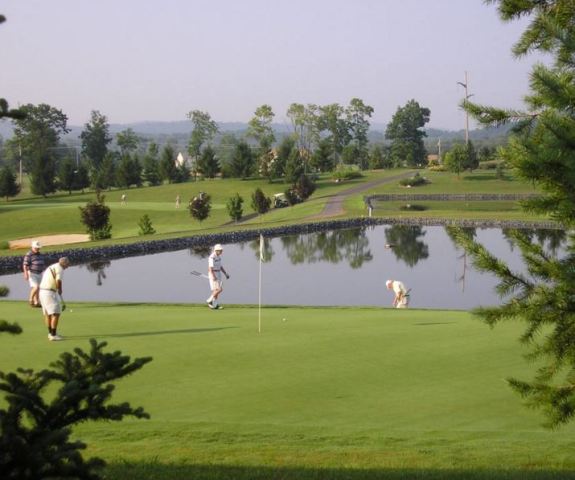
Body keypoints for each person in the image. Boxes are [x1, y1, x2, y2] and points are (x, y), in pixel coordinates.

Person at [39, 257, 70, 341]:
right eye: (67, 264)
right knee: (56, 313)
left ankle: (50, 333)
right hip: (49, 292)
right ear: (64, 263)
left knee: (48, 313)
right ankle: (53, 335)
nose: (68, 266)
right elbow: (58, 280)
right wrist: (60, 289)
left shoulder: (52, 266)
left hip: (42, 291)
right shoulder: (60, 269)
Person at [22, 240, 46, 307]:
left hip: (40, 273)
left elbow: (42, 264)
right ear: (32, 247)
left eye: (38, 248)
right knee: (36, 287)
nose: (37, 249)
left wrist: (44, 271)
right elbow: (25, 265)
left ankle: (36, 302)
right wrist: (25, 273)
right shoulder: (29, 254)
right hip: (32, 273)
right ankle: (31, 299)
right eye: (36, 248)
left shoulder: (40, 254)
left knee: (38, 288)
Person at [206, 244, 229, 310]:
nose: (222, 251)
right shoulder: (212, 257)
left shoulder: (218, 257)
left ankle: (215, 305)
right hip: (213, 273)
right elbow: (210, 268)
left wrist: (225, 273)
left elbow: (220, 266)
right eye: (220, 250)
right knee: (219, 289)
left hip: (218, 273)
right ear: (217, 250)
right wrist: (213, 276)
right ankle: (209, 300)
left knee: (216, 290)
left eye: (221, 250)